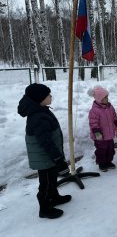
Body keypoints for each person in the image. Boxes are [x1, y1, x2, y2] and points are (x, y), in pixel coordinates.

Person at [18, 83, 71, 219]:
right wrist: (58, 158)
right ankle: (45, 208)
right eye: (48, 95)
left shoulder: (41, 110)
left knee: (52, 178)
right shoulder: (38, 117)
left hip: (48, 156)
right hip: (44, 157)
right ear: (39, 99)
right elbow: (45, 142)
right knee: (46, 183)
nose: (51, 96)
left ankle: (54, 197)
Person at [88, 86, 117, 172]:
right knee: (101, 150)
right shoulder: (94, 110)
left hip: (109, 135)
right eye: (105, 97)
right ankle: (102, 163)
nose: (107, 99)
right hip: (100, 136)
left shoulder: (110, 107)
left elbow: (114, 116)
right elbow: (93, 123)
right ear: (99, 99)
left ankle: (109, 161)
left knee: (110, 149)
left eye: (107, 97)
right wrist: (97, 133)